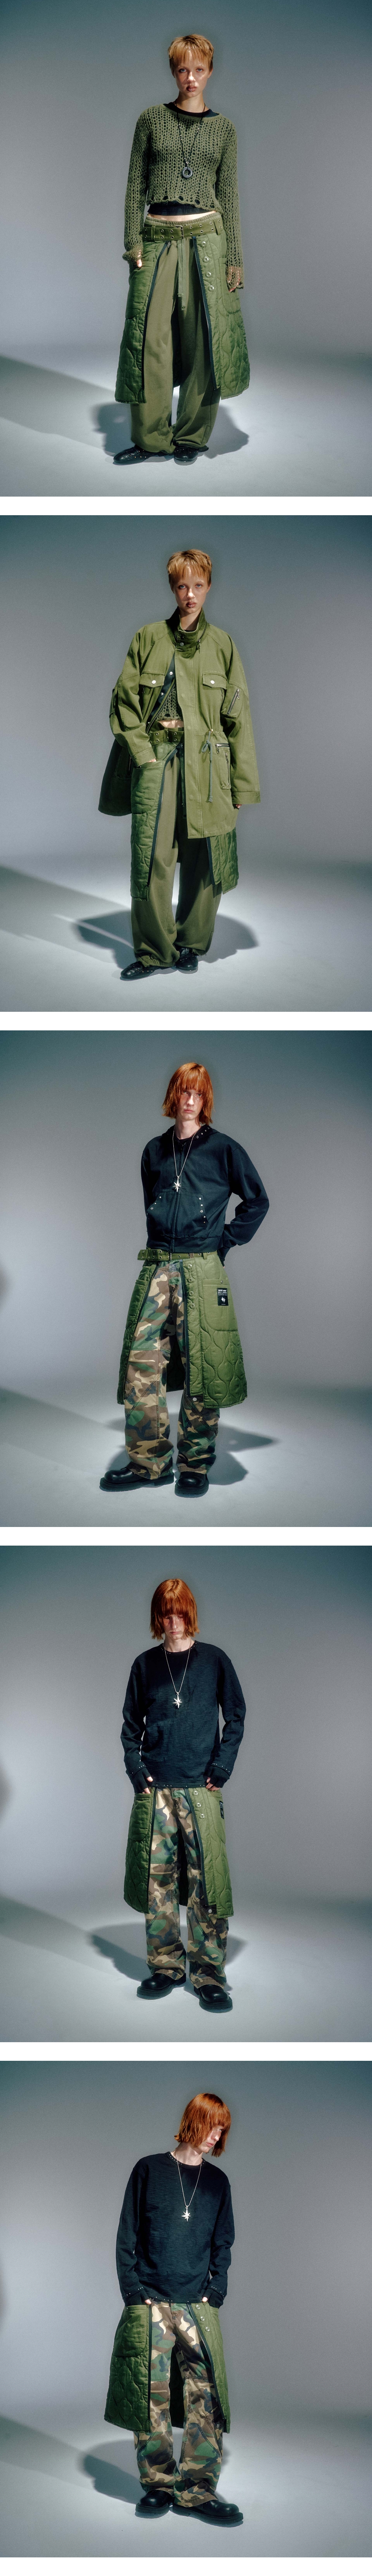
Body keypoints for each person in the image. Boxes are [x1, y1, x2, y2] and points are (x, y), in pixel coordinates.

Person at [100, 1058, 269, 1498]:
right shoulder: (154, 1151)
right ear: (173, 1096)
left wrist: (224, 1241)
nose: (190, 1100)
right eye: (183, 1091)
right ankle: (149, 1462)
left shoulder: (224, 1149)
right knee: (142, 1365)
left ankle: (195, 1464)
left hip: (202, 1268)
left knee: (204, 1367)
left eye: (198, 1093)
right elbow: (153, 1205)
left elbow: (257, 1201)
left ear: (205, 1099)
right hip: (159, 1266)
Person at [99, 545, 260, 982]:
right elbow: (123, 704)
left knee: (205, 856)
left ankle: (191, 944)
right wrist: (144, 754)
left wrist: (241, 785)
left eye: (198, 585)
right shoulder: (147, 638)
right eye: (182, 586)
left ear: (209, 587)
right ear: (173, 588)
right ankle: (155, 951)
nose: (190, 595)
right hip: (158, 760)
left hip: (209, 767)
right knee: (151, 856)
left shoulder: (223, 645)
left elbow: (238, 718)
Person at [105, 2089, 242, 2524]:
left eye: (222, 2129)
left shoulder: (218, 2182)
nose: (216, 2135)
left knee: (207, 2397)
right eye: (212, 2125)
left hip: (196, 2305)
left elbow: (223, 2243)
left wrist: (215, 2291)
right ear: (193, 2121)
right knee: (152, 2396)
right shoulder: (148, 2169)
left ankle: (197, 2490)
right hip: (151, 2303)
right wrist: (134, 2292)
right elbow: (127, 2236)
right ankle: (159, 2484)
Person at [113, 31, 249, 464]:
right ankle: (150, 438)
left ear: (210, 72)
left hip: (208, 239)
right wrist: (132, 240)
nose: (191, 78)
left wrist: (235, 257)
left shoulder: (224, 130)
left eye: (199, 69)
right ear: (174, 72)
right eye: (182, 69)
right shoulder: (151, 119)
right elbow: (135, 186)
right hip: (157, 239)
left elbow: (229, 196)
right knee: (148, 340)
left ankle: (191, 436)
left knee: (203, 339)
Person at [122, 1574, 246, 2012]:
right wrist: (137, 1770)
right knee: (157, 1883)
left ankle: (209, 1974)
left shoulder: (213, 1660)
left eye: (178, 1613)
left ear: (189, 1613)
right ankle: (166, 1966)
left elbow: (236, 1715)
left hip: (200, 1789)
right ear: (157, 1617)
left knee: (207, 1885)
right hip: (156, 1789)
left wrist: (222, 1766)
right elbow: (130, 1726)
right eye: (165, 1614)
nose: (172, 1621)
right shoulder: (145, 1665)